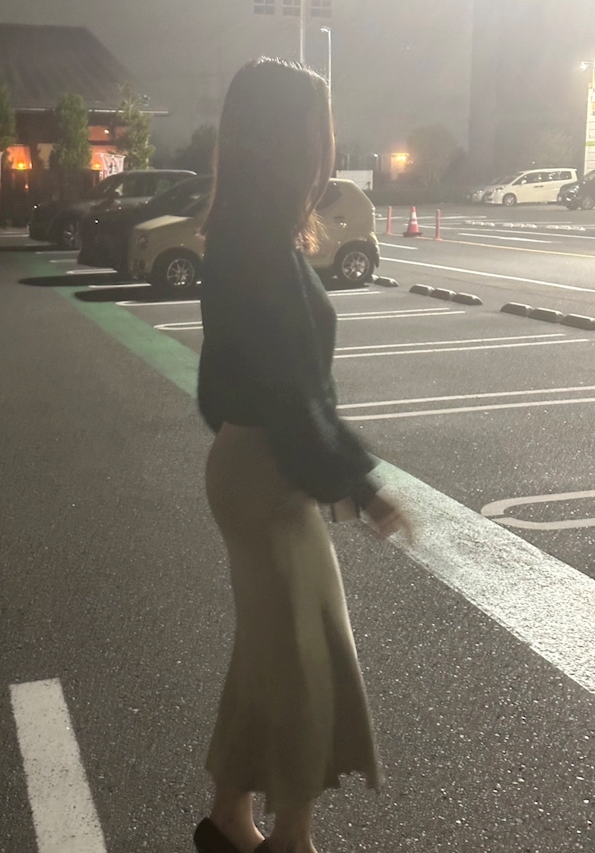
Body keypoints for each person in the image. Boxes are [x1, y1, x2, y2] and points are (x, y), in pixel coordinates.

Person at [194, 57, 412, 853]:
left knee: (276, 649)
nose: (329, 151)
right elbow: (292, 395)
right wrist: (361, 484)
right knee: (308, 658)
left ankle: (230, 817)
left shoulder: (250, 236)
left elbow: (229, 385)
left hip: (255, 464)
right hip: (266, 474)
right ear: (288, 140)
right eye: (319, 133)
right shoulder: (256, 246)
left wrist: (331, 469)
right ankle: (292, 839)